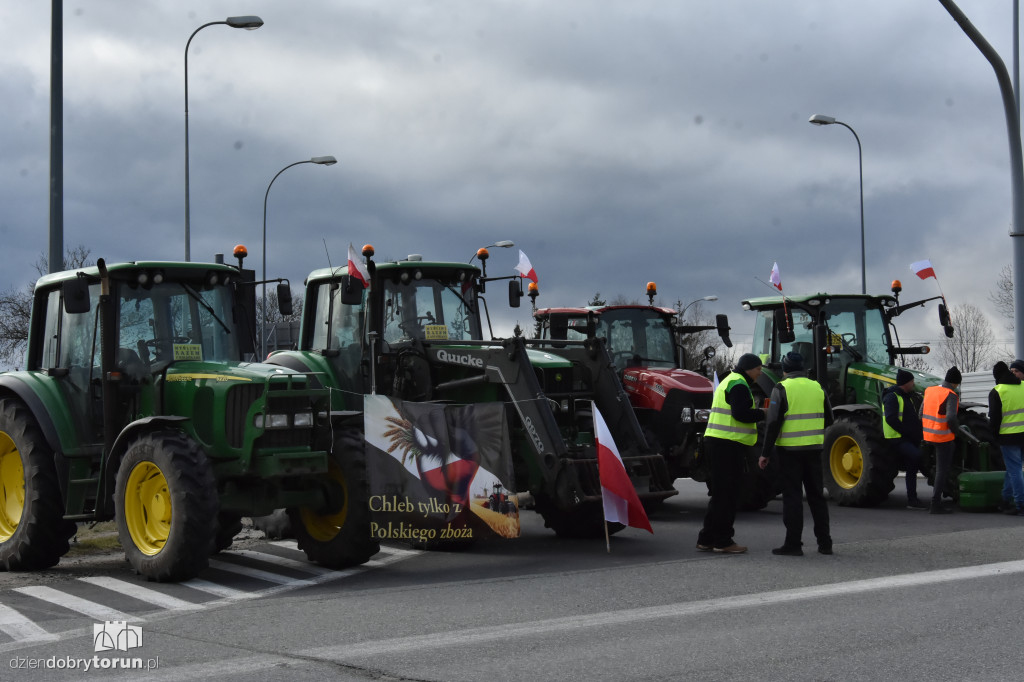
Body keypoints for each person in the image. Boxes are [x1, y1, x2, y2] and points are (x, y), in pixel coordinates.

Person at [758, 351, 834, 556]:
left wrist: (765, 453)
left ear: (784, 369)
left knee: (793, 497)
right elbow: (829, 419)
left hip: (789, 451)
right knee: (817, 496)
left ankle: (793, 544)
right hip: (815, 449)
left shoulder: (781, 388)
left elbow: (773, 423)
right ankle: (825, 543)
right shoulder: (818, 387)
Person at [696, 353, 766, 554]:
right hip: (727, 445)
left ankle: (706, 538)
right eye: (758, 369)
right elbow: (740, 414)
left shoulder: (729, 380)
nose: (760, 373)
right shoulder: (739, 384)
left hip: (718, 443)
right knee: (728, 494)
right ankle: (723, 541)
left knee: (720, 494)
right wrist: (763, 413)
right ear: (749, 368)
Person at [882, 369, 928, 509]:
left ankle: (912, 500)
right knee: (917, 456)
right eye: (912, 381)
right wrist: (907, 432)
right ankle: (912, 499)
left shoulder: (906, 396)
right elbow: (891, 419)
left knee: (912, 467)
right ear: (906, 383)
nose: (913, 384)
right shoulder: (892, 397)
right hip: (897, 439)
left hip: (907, 438)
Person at [922, 366, 962, 514]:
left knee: (938, 466)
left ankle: (937, 497)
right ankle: (935, 503)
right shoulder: (951, 394)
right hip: (942, 436)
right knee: (942, 469)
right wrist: (955, 431)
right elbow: (951, 417)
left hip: (928, 435)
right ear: (955, 383)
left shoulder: (930, 391)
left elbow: (921, 413)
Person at [989, 361, 1024, 516]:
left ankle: (1020, 504)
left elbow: (995, 419)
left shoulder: (997, 391)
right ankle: (1005, 499)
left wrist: (994, 437)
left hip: (1008, 437)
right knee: (1012, 470)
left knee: (1015, 470)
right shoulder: (1023, 386)